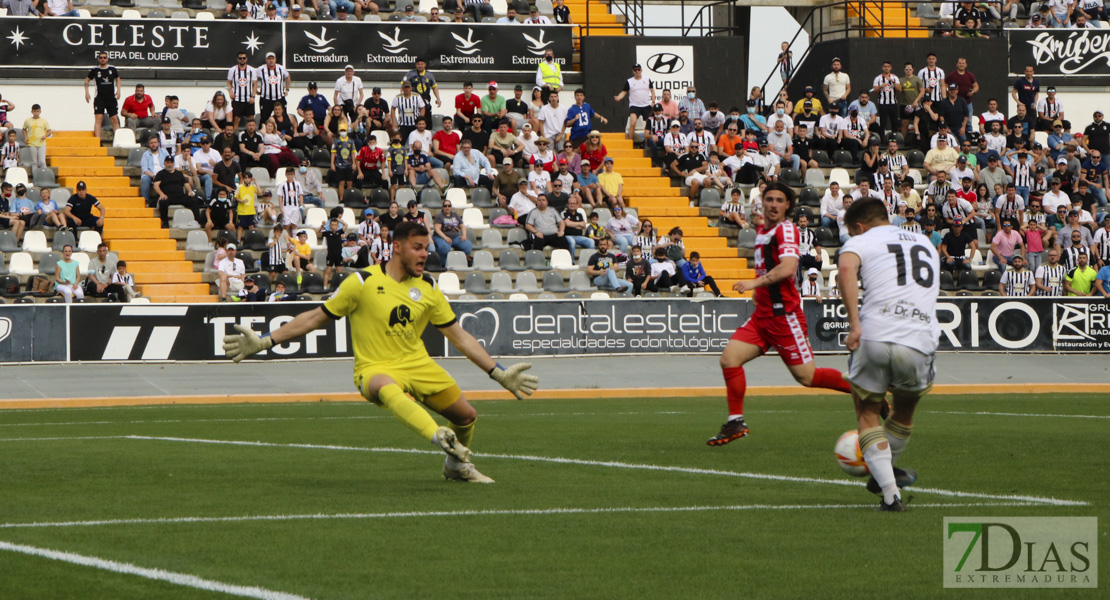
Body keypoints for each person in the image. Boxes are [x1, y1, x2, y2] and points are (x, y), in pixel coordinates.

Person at [222, 220, 538, 482]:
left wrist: (498, 373)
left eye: (426, 248)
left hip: (417, 365)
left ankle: (456, 467)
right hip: (374, 369)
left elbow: (460, 337)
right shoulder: (361, 282)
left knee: (467, 416)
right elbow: (315, 317)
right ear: (396, 247)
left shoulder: (427, 289)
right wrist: (266, 340)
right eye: (417, 247)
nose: (424, 254)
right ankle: (436, 436)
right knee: (386, 387)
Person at [711, 182, 852, 446]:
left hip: (784, 316)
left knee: (807, 377)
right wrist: (757, 294)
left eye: (779, 200)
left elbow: (788, 268)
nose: (774, 204)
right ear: (762, 201)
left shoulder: (786, 229)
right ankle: (735, 421)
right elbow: (768, 264)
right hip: (762, 317)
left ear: (787, 206)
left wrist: (754, 284)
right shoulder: (763, 230)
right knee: (729, 360)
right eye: (770, 199)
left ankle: (861, 390)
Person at [837, 197, 938, 511]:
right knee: (903, 413)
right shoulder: (925, 242)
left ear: (859, 226)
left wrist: (854, 324)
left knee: (867, 413)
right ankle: (885, 474)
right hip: (920, 338)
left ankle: (890, 491)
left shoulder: (861, 241)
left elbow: (845, 269)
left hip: (876, 333)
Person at [85, 51, 121, 139]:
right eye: (101, 57)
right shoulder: (95, 70)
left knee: (114, 119)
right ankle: (98, 141)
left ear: (107, 59)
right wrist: (87, 92)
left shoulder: (112, 69)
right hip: (99, 98)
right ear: (98, 59)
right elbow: (86, 80)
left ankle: (118, 139)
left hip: (111, 98)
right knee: (99, 119)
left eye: (104, 57)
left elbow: (118, 79)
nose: (102, 59)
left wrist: (118, 90)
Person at [254, 51, 291, 126]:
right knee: (264, 119)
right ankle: (263, 135)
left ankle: (283, 134)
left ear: (275, 59)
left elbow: (287, 77)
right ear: (266, 60)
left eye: (272, 58)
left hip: (279, 98)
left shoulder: (281, 68)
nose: (271, 60)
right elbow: (253, 79)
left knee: (283, 118)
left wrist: (287, 89)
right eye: (269, 58)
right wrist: (256, 90)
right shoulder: (261, 69)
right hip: (266, 99)